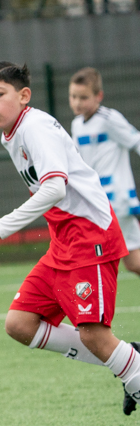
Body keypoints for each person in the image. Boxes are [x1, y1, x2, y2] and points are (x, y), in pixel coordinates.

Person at [0, 62, 140, 418]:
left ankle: (128, 363)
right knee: (20, 324)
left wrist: (0, 228)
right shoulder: (13, 133)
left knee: (94, 335)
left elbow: (55, 187)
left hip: (90, 236)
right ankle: (128, 357)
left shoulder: (35, 127)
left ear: (24, 95)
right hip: (64, 241)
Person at [69, 67, 140, 278]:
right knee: (134, 262)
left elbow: (136, 140)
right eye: (73, 96)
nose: (77, 102)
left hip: (115, 200)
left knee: (95, 256)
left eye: (83, 97)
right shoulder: (76, 125)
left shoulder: (109, 119)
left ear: (98, 96)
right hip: (95, 200)